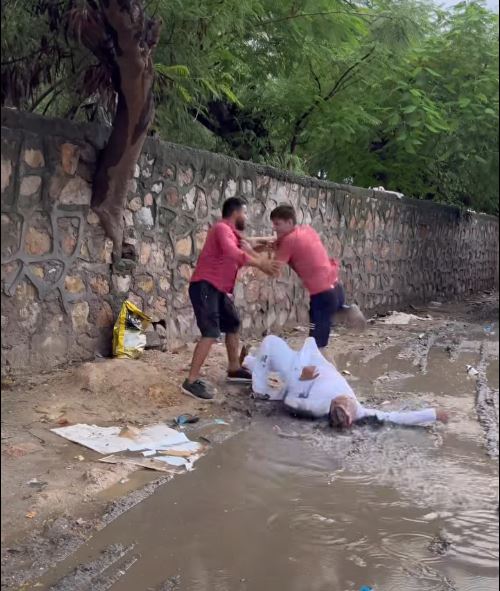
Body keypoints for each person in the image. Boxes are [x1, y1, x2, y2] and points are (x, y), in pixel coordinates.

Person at [182, 198, 281, 401]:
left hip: (217, 289)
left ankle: (234, 368)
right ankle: (190, 381)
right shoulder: (221, 229)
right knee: (210, 332)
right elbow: (233, 252)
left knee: (233, 323)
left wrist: (265, 245)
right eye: (245, 212)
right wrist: (260, 264)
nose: (247, 217)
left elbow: (245, 247)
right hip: (205, 286)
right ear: (236, 213)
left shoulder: (231, 234)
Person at [244, 335, 449, 428]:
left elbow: (290, 400)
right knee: (268, 359)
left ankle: (256, 381)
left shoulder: (317, 406)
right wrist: (433, 414)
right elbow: (396, 418)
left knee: (271, 343)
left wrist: (298, 380)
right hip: (312, 363)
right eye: (344, 405)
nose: (341, 401)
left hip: (297, 372)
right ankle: (248, 362)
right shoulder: (360, 410)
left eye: (338, 406)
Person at [268, 204, 365, 350]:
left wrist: (250, 254)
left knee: (315, 341)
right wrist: (273, 244)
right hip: (335, 288)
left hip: (322, 295)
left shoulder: (288, 241)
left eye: (277, 224)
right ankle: (348, 311)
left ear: (289, 222)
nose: (274, 228)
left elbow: (273, 269)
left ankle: (319, 361)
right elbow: (288, 245)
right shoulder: (307, 230)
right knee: (327, 317)